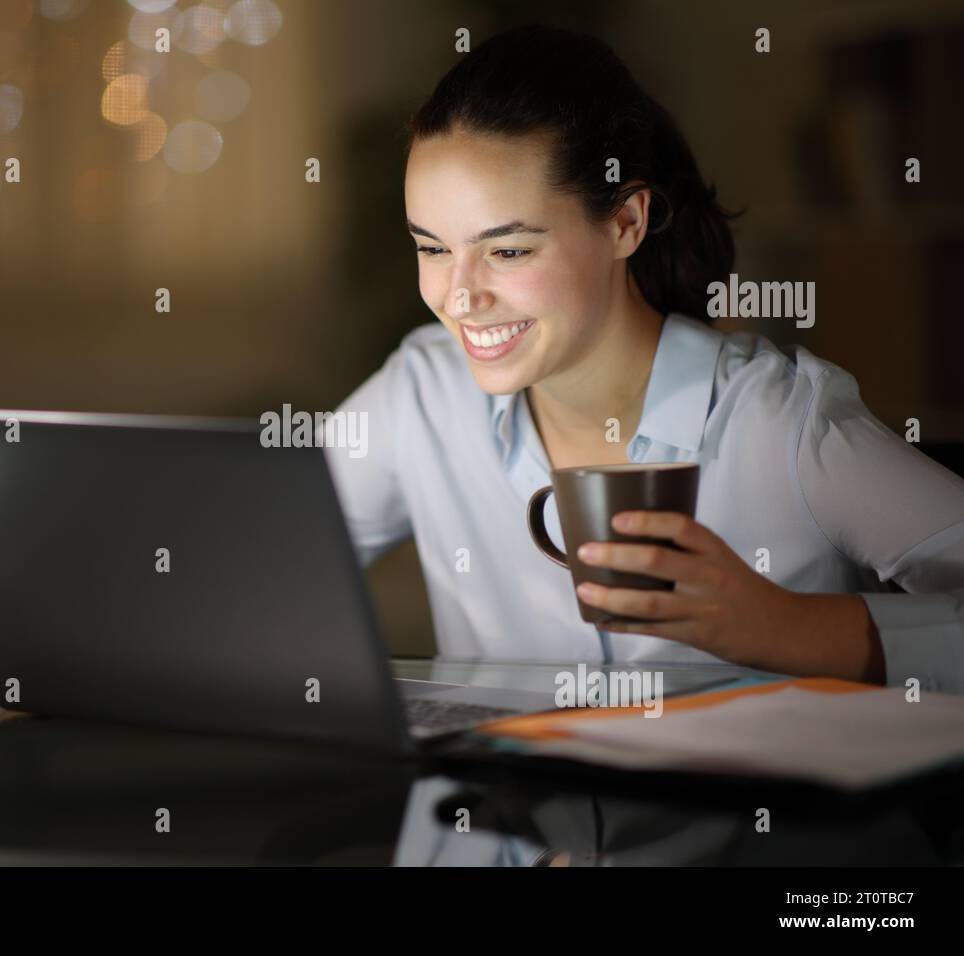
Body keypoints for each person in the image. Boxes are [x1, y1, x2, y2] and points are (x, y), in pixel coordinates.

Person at [323, 24, 964, 693]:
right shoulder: (422, 393)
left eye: (508, 251)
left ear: (627, 222)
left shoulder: (780, 421)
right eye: (432, 248)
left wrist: (786, 626)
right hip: (500, 799)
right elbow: (248, 557)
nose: (458, 296)